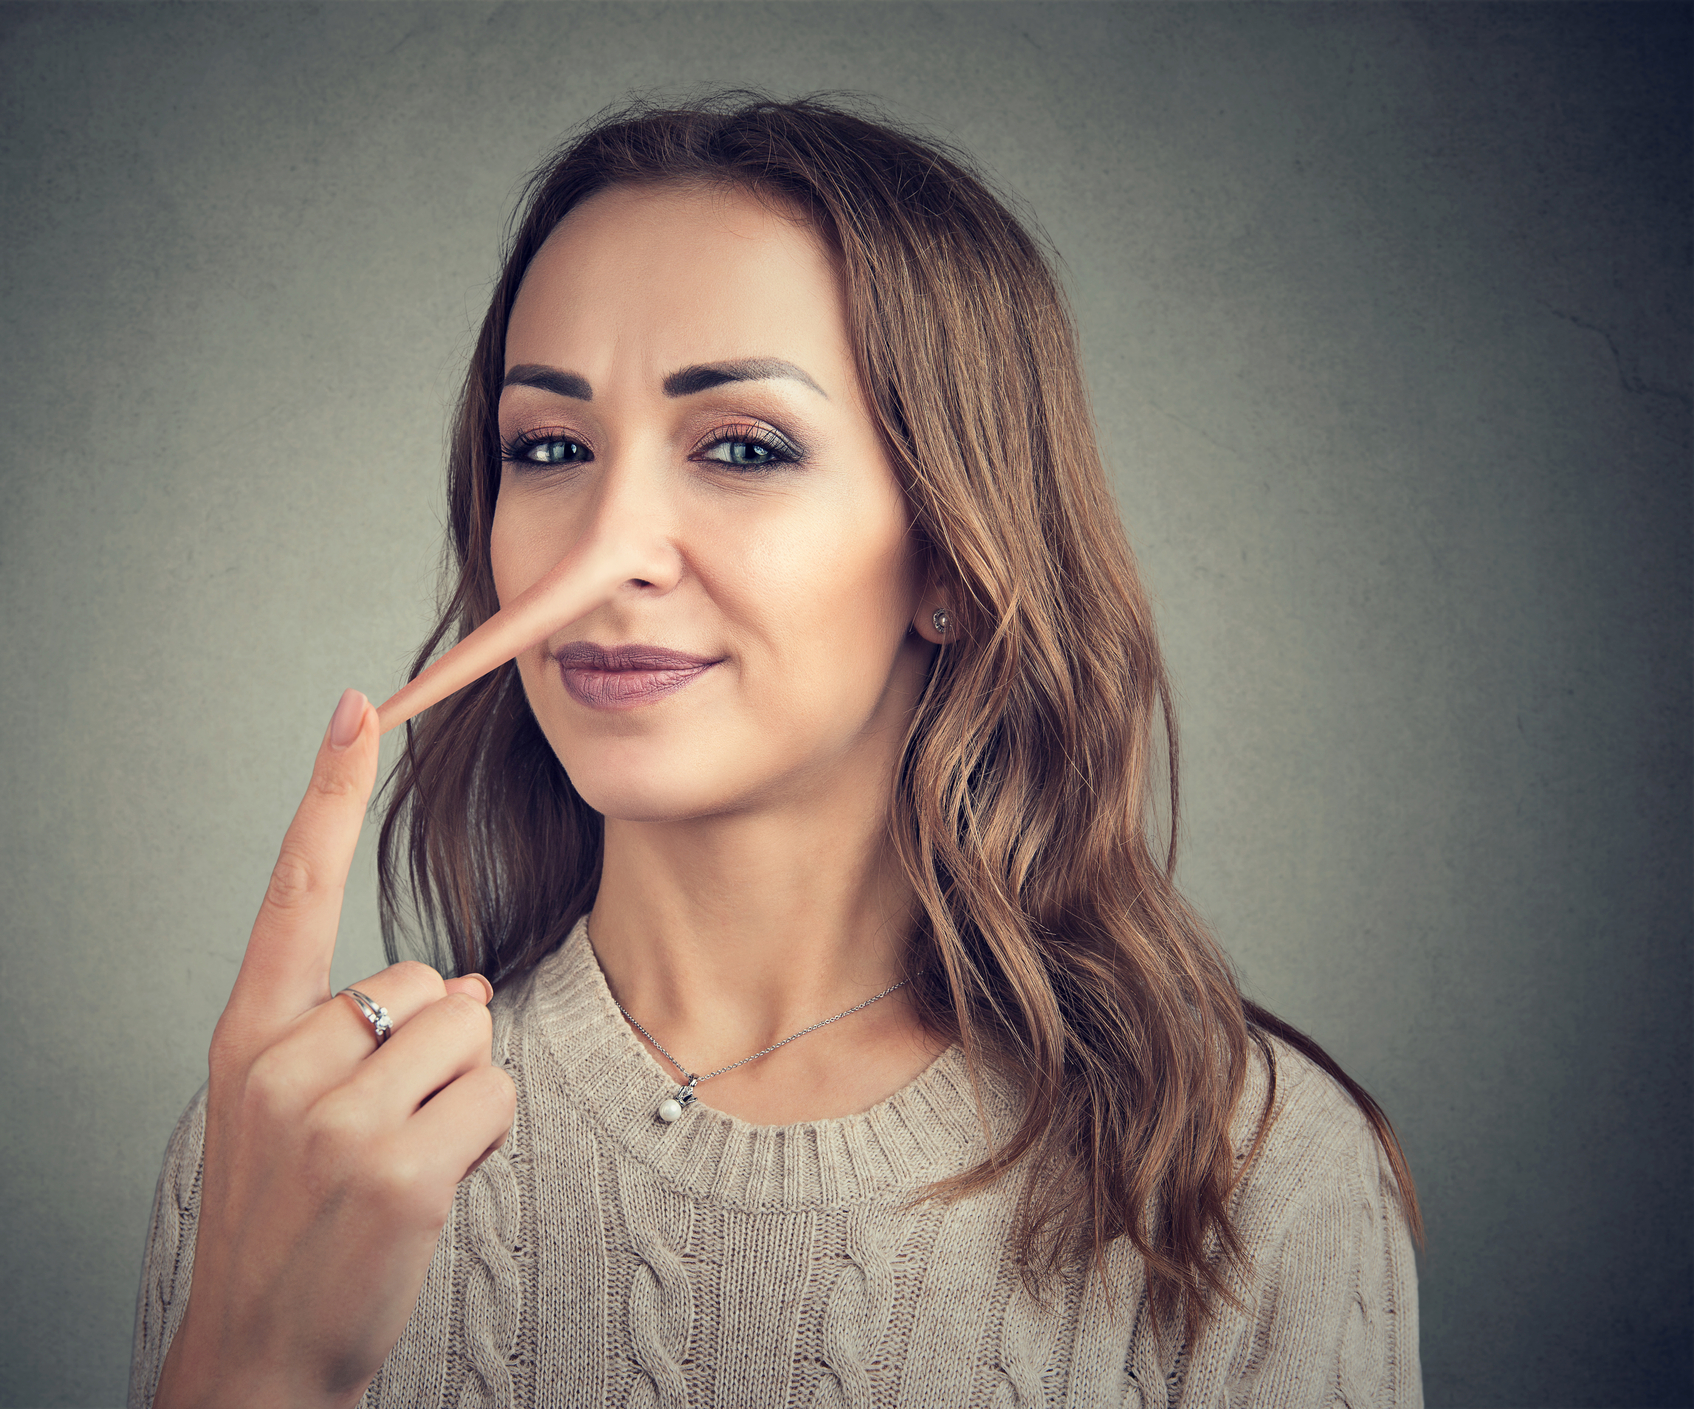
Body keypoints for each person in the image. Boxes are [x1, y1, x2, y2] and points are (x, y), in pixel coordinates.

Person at [129, 92, 1423, 1409]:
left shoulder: (1245, 1173)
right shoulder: (291, 1155)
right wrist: (253, 1366)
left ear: (954, 560)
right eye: (551, 447)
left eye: (741, 446)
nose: (604, 552)